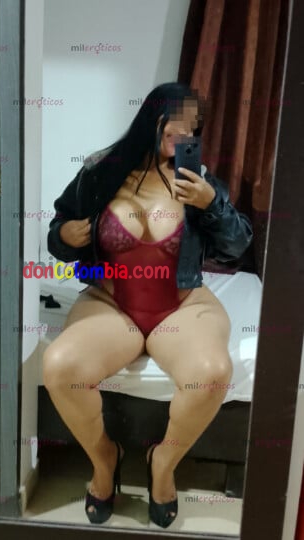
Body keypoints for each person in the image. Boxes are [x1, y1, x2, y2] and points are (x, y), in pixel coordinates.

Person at [43, 82, 253, 528]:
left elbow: (237, 246)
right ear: (152, 117)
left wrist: (212, 205)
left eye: (193, 126)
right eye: (175, 120)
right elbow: (58, 230)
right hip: (110, 301)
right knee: (59, 366)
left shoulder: (197, 182)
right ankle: (105, 458)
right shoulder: (100, 172)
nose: (183, 131)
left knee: (212, 372)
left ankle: (163, 464)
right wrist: (63, 236)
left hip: (181, 305)